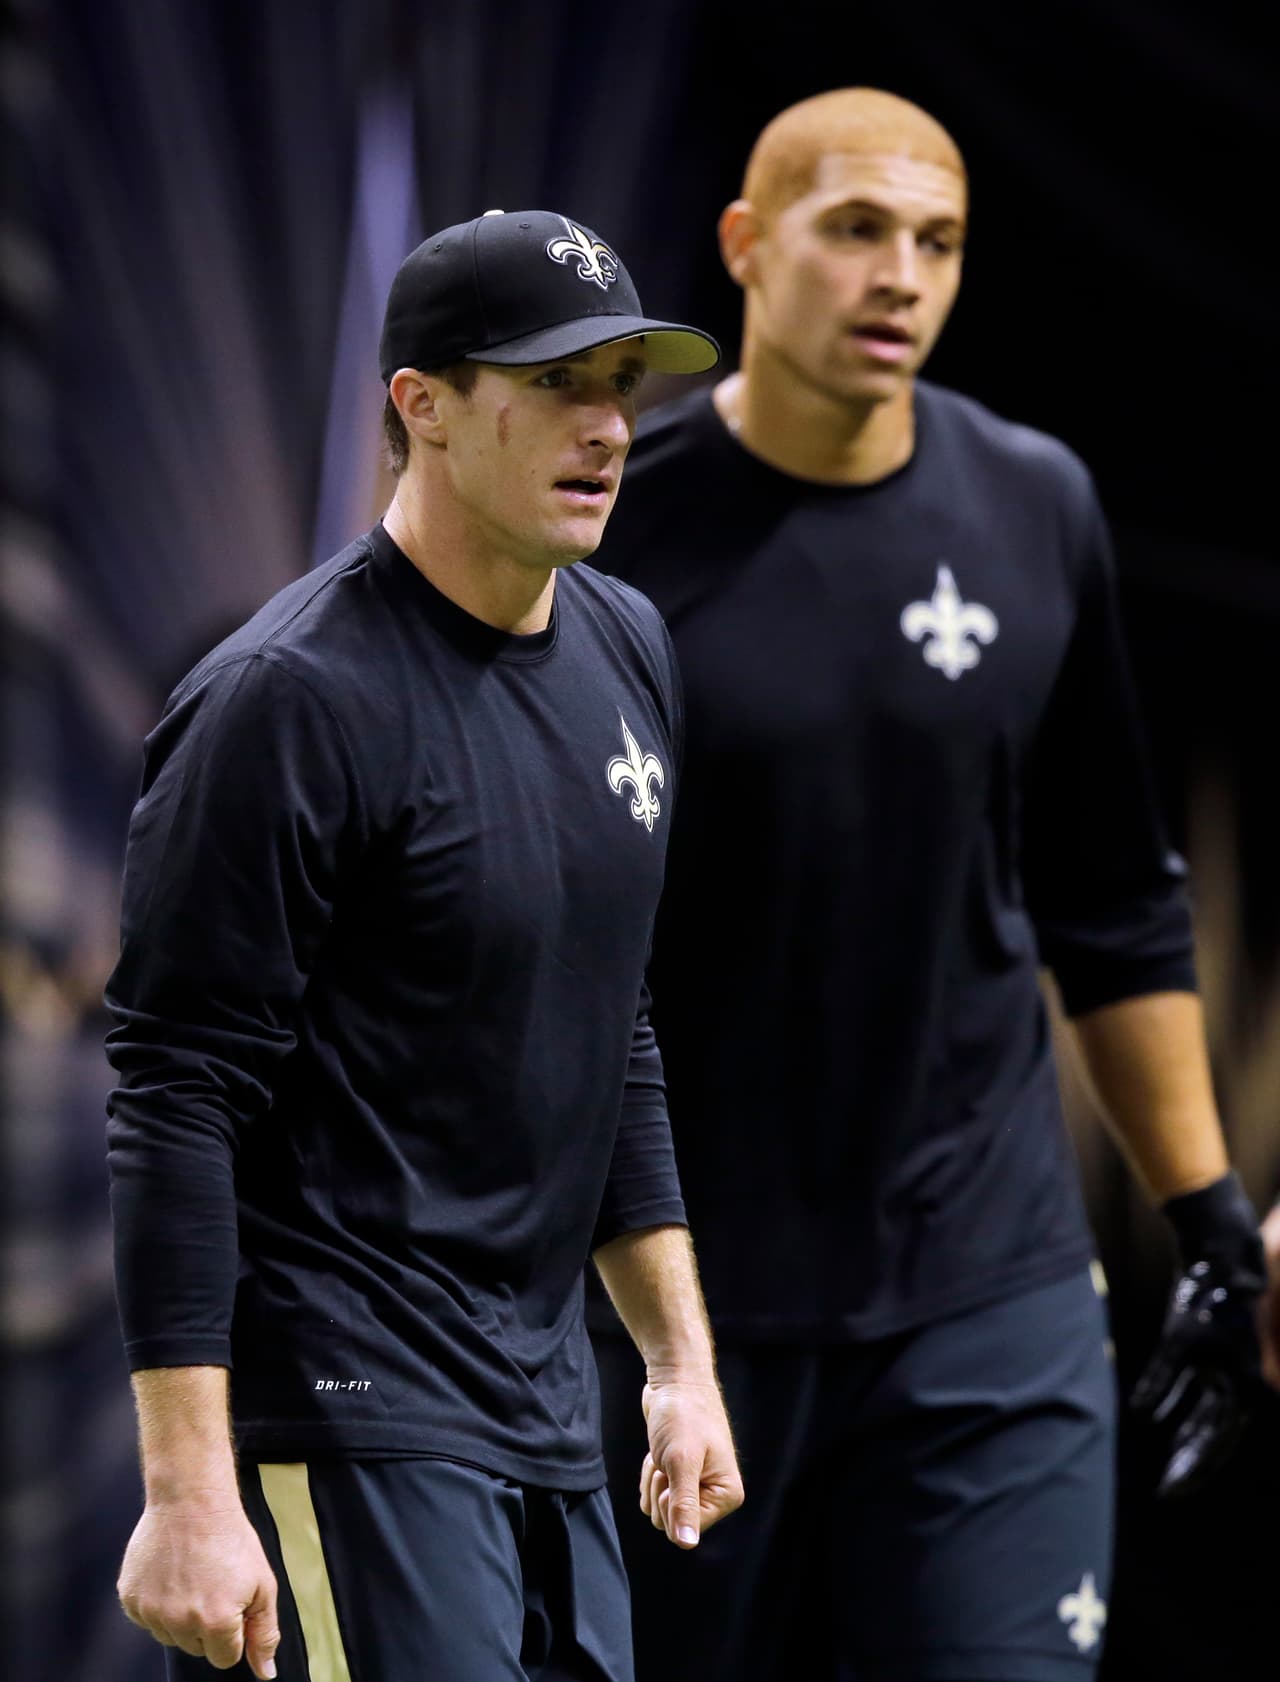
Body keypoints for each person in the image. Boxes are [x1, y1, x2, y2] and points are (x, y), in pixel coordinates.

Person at [589, 89, 1268, 1682]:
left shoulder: (1037, 502)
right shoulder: (612, 534)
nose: (902, 273)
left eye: (940, 241)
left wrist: (1215, 1226)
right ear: (748, 248)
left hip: (990, 1283)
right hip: (686, 1304)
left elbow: (1114, 901)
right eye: (858, 230)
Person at [105, 207, 742, 1682]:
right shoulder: (287, 698)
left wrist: (675, 1362)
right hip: (345, 1400)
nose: (606, 428)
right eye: (558, 385)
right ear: (424, 407)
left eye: (623, 387)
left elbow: (611, 1026)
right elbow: (175, 1091)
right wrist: (189, 1490)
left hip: (544, 1408)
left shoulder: (628, 646)